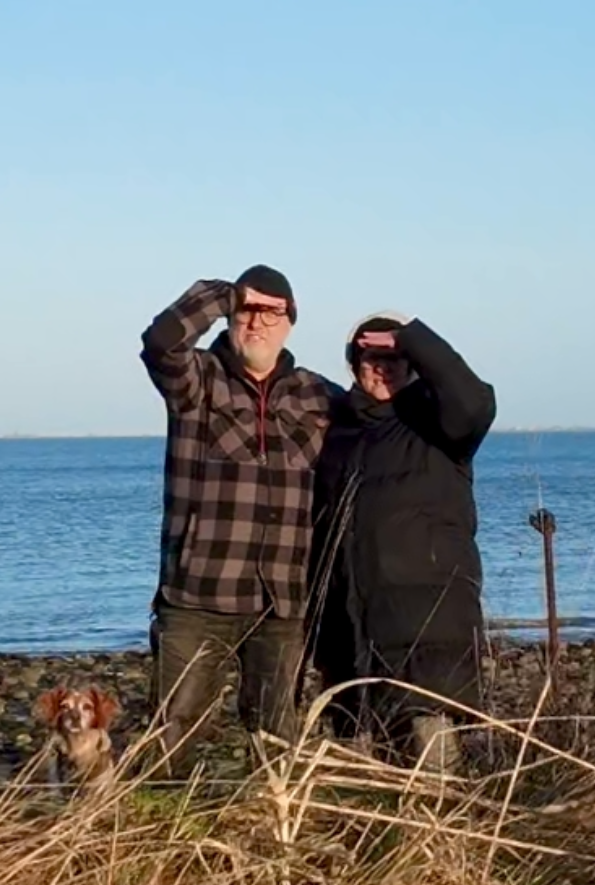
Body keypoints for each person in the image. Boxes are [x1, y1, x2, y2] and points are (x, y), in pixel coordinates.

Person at [138, 264, 341, 774]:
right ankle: (159, 833)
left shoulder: (319, 396)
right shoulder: (197, 382)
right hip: (197, 596)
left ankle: (276, 835)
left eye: (272, 312)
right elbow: (161, 341)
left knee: (278, 738)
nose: (258, 322)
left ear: (291, 322)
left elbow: (382, 431)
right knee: (171, 731)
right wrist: (224, 294)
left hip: (283, 602)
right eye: (247, 310)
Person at [306, 311, 496, 771]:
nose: (383, 368)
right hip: (354, 645)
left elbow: (476, 402)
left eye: (395, 359)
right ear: (355, 366)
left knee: (434, 782)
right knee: (368, 787)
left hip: (427, 639)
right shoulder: (339, 435)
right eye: (372, 358)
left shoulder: (437, 424)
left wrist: (413, 337)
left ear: (413, 365)